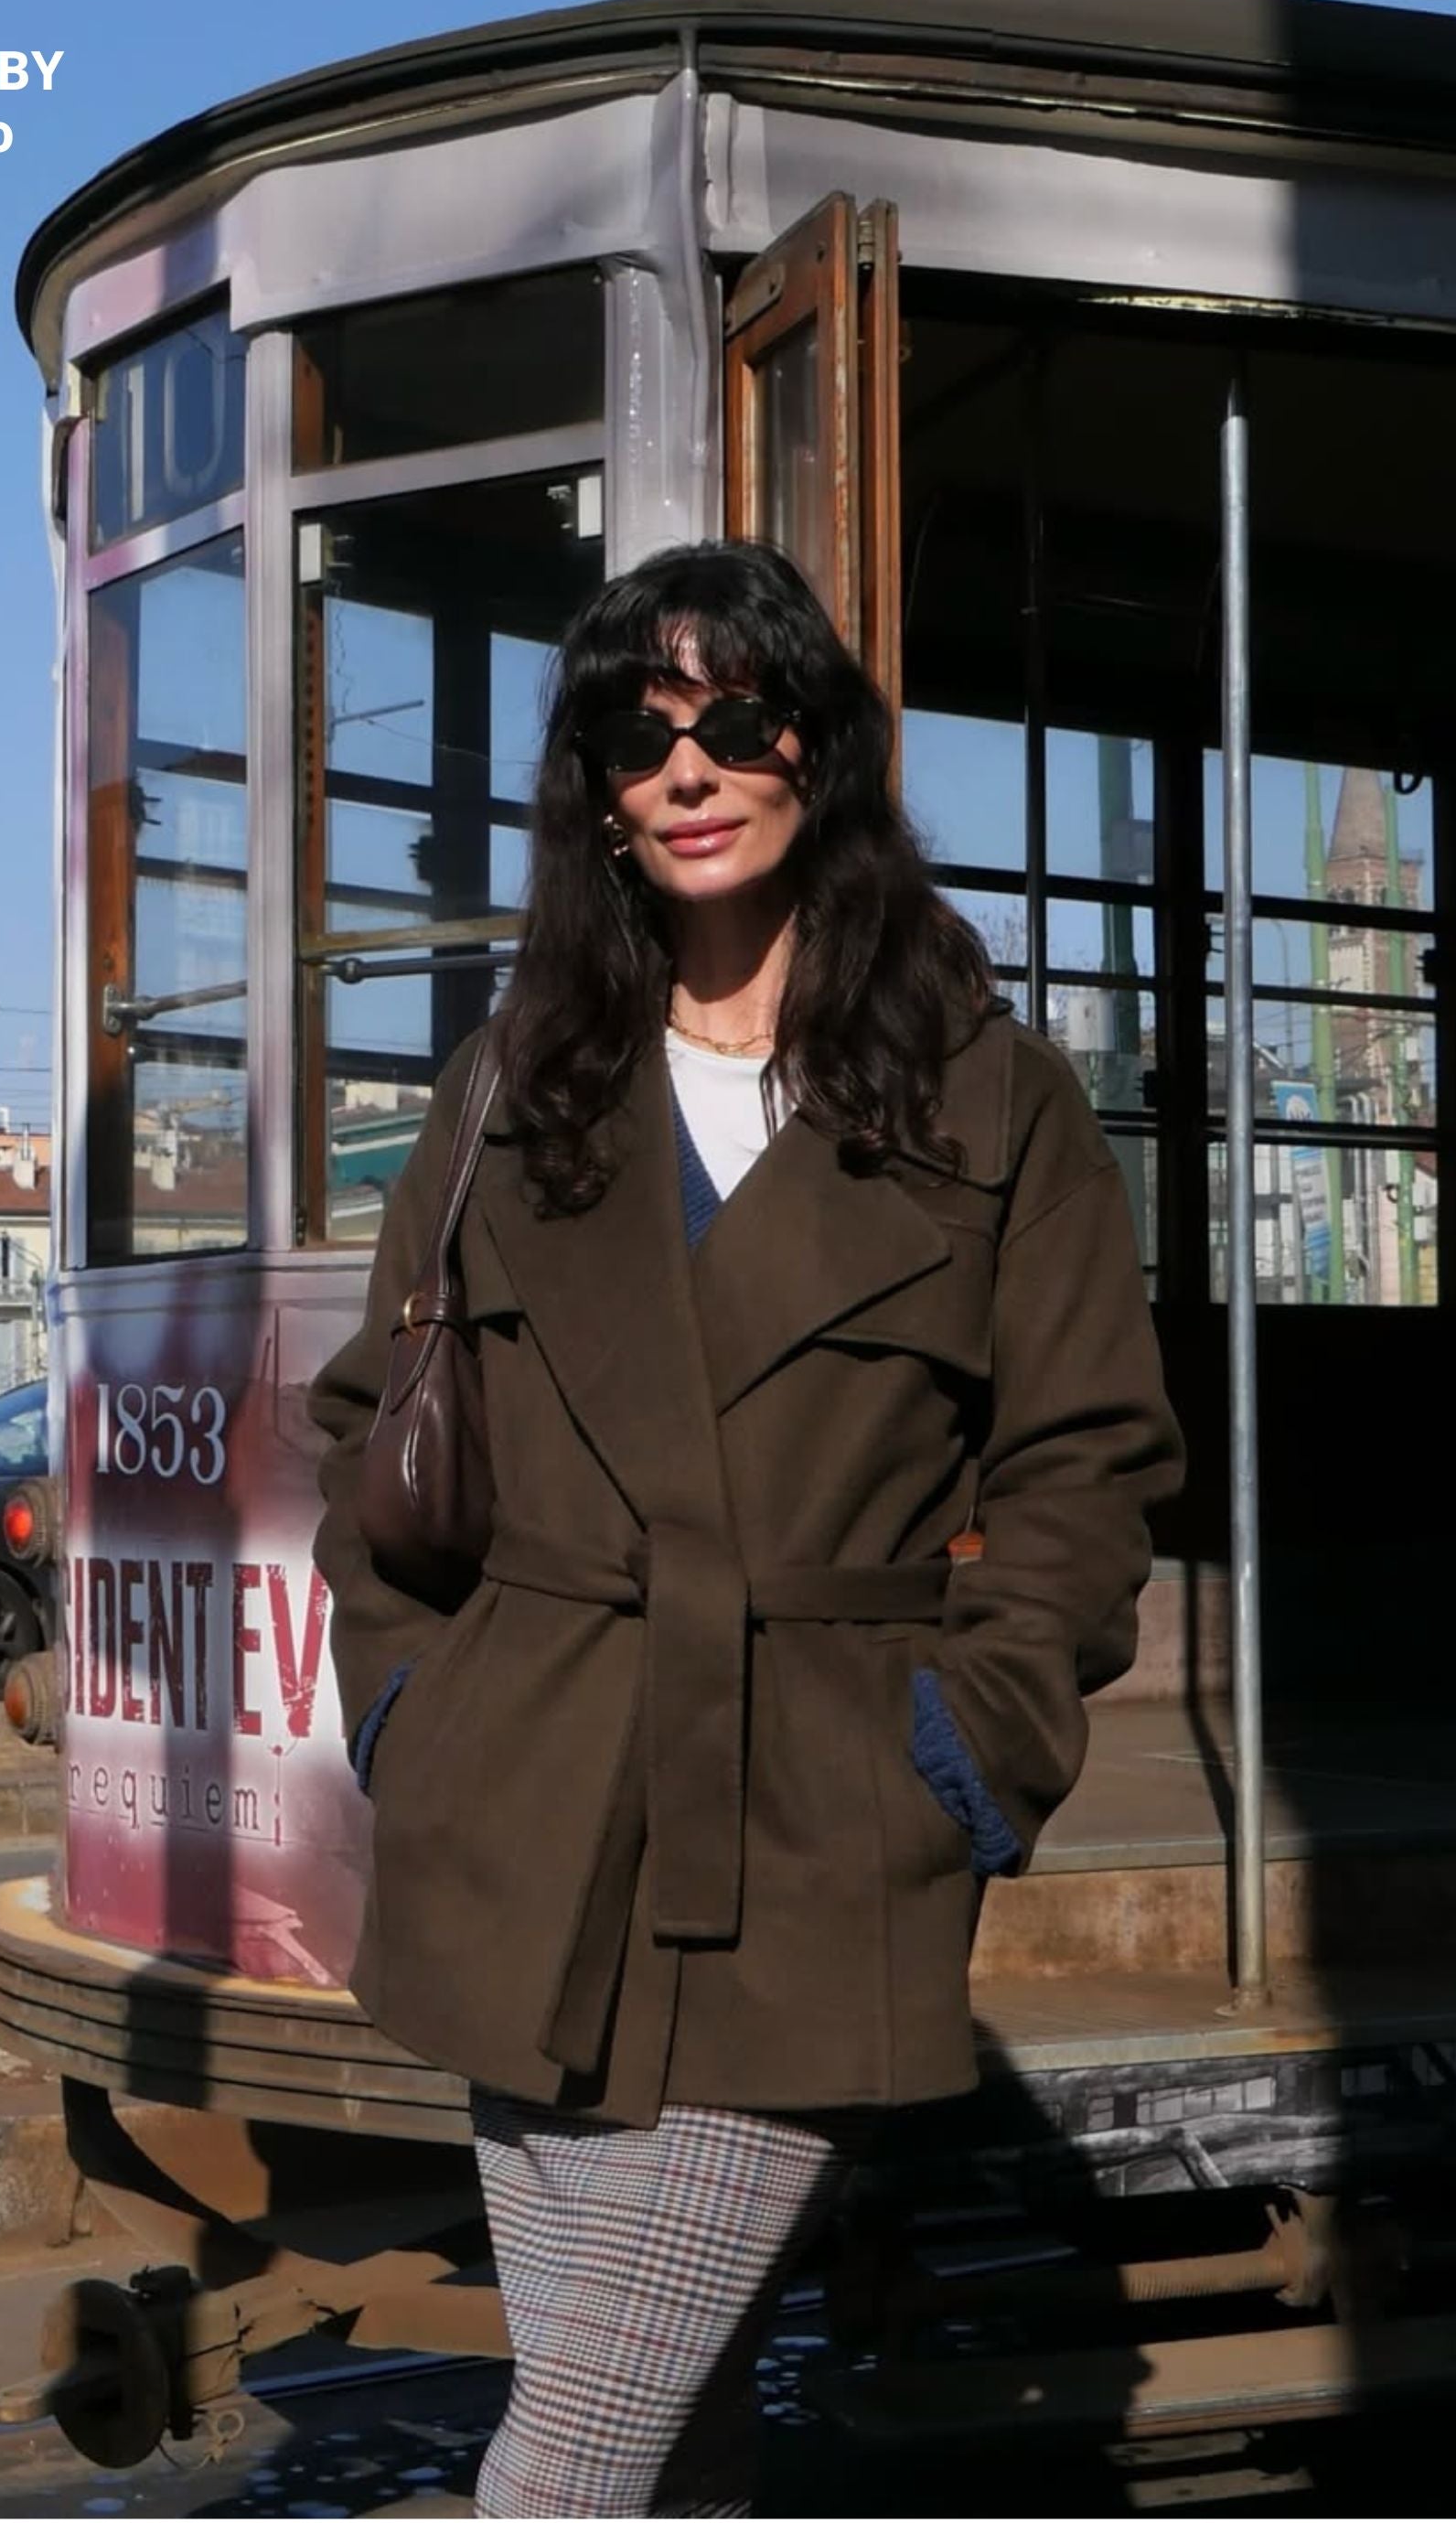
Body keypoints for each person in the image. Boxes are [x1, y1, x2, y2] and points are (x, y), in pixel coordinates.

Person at [309, 541, 1183, 2517]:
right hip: (518, 1806)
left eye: (736, 718)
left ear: (822, 747)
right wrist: (409, 1710)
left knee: (564, 2472)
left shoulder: (994, 1103)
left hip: (812, 1823)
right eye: (639, 736)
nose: (689, 767)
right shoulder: (515, 1092)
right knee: (672, 2451)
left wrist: (963, 1752)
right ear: (599, 796)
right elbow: (369, 1424)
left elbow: (1087, 1462)